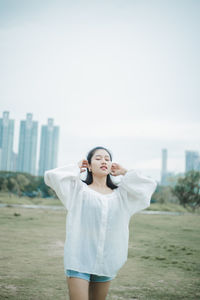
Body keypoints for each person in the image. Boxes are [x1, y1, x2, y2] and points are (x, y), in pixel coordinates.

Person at [44, 146, 157, 300]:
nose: (103, 161)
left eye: (107, 159)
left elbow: (148, 187)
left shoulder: (121, 195)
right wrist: (76, 167)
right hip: (79, 258)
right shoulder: (78, 191)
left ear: (111, 166)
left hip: (107, 260)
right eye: (98, 158)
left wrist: (125, 172)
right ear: (89, 166)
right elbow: (53, 176)